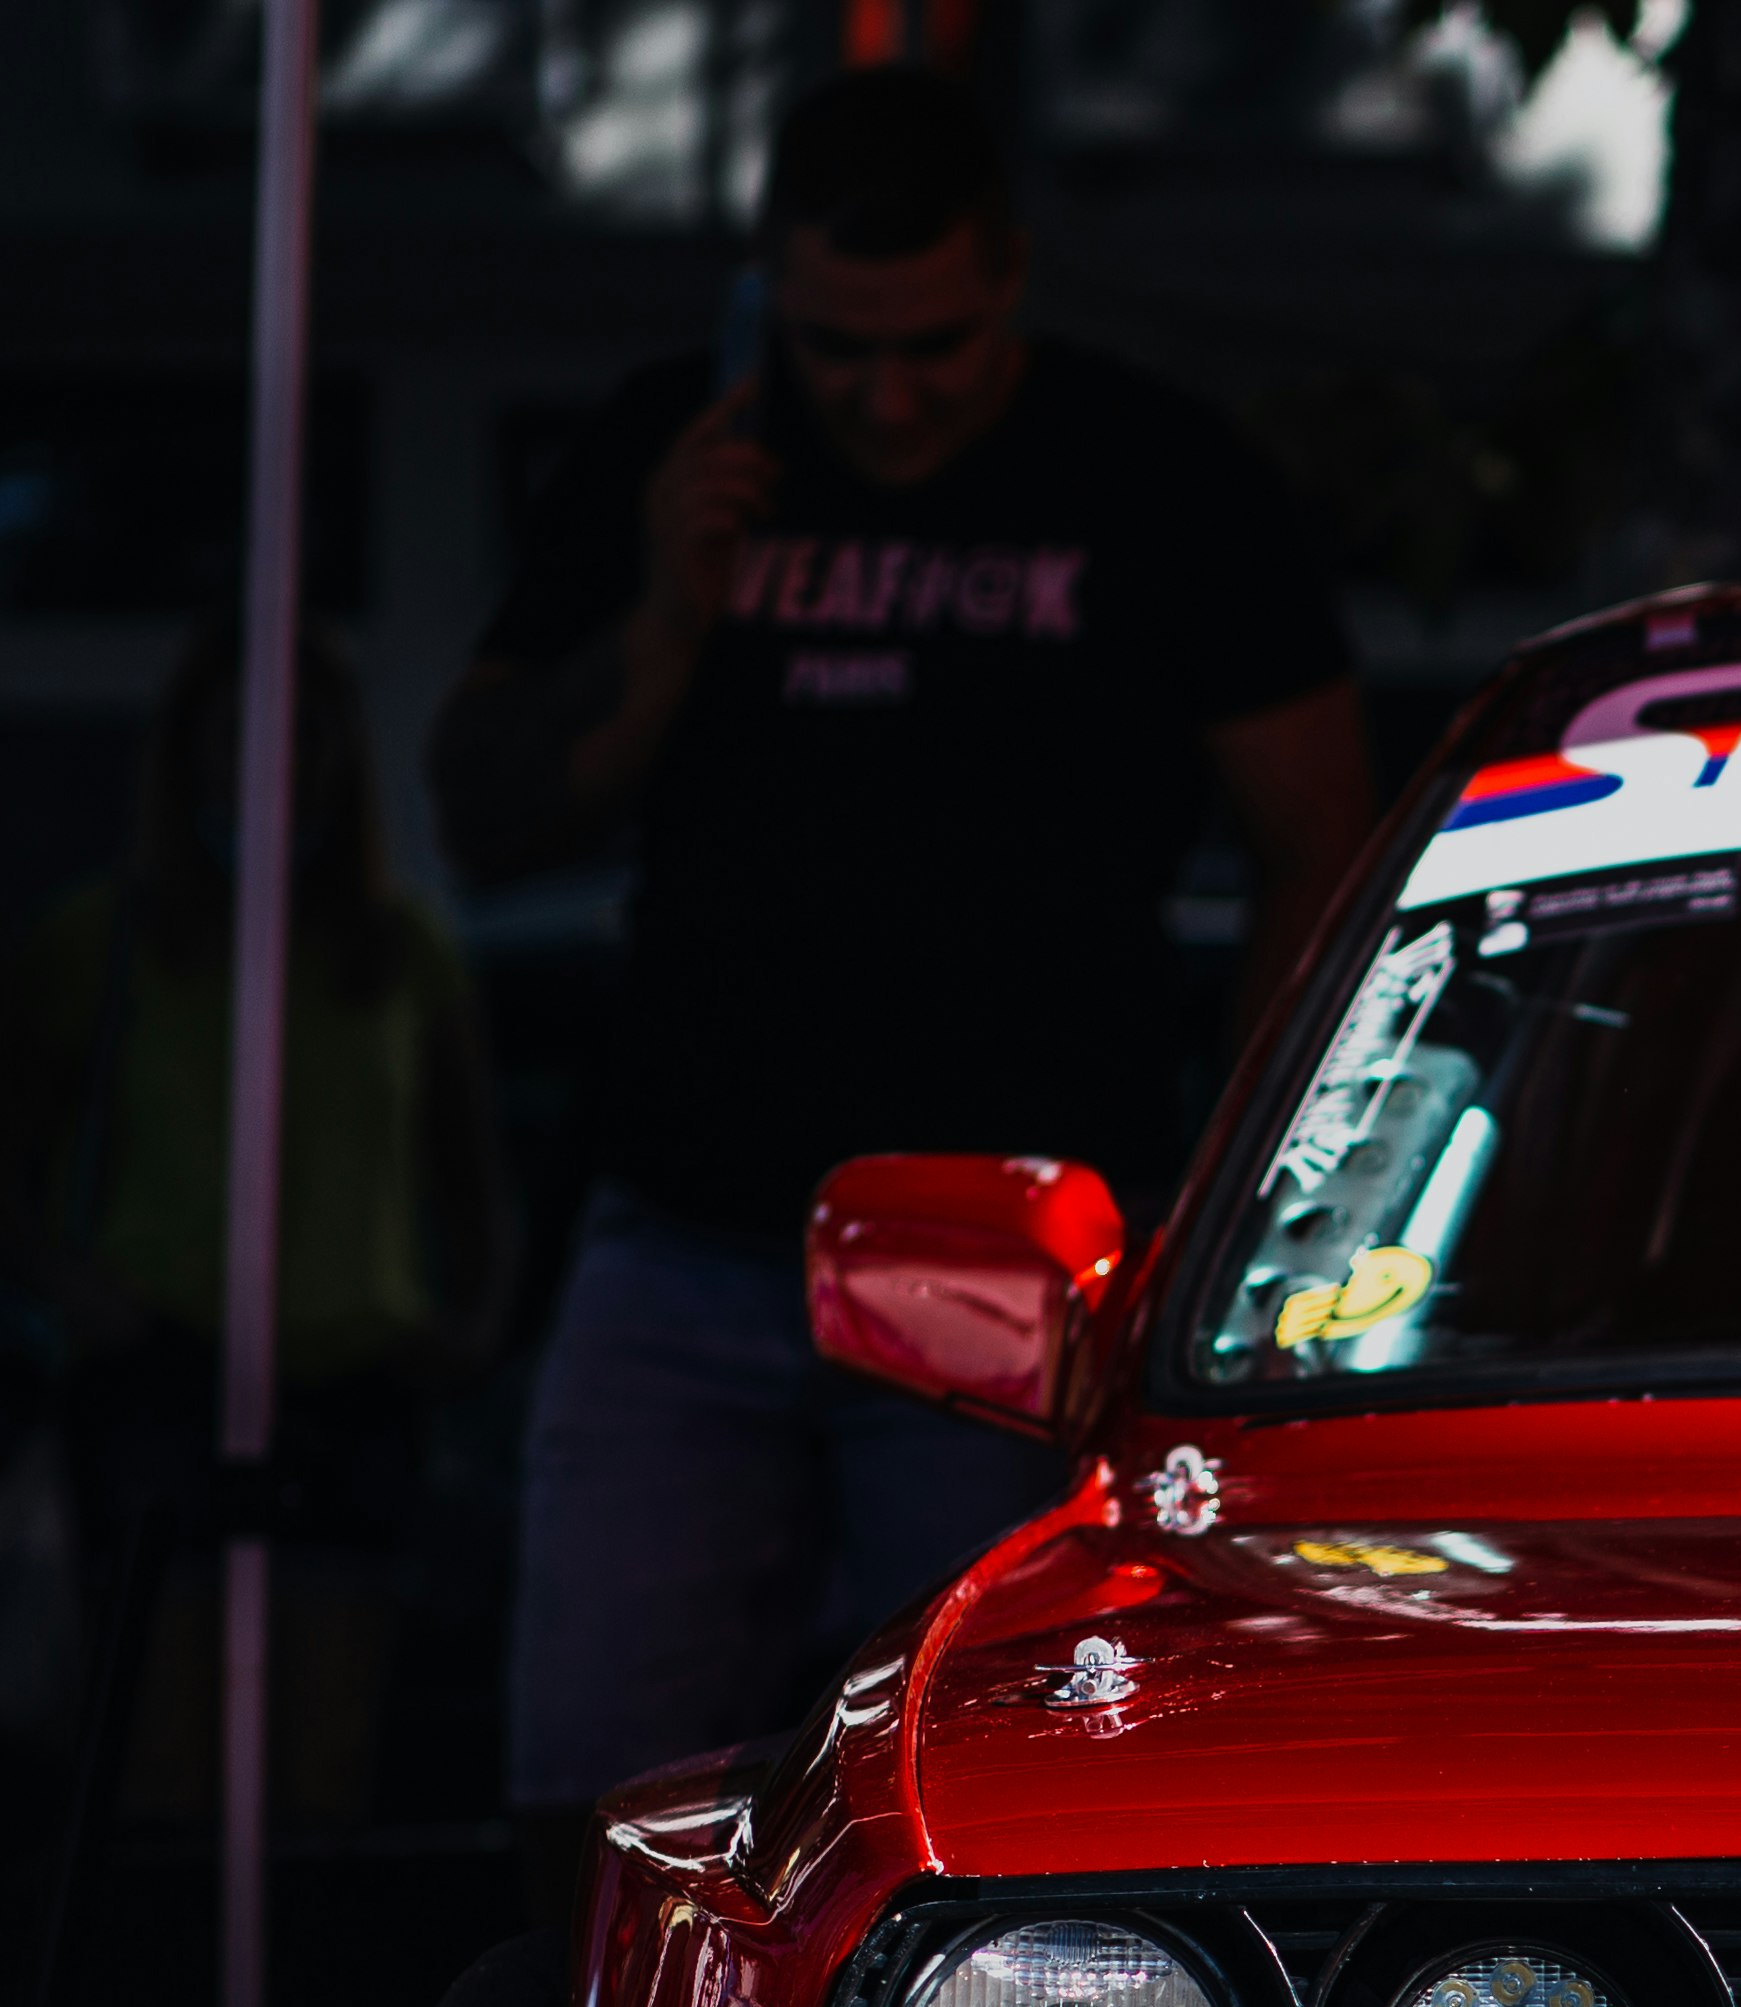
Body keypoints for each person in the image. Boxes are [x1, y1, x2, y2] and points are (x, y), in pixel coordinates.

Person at [429, 62, 1365, 1872]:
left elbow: (1317, 836)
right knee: (600, 1805)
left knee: (976, 1804)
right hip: (695, 1226)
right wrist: (664, 616)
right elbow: (482, 813)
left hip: (1003, 1274)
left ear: (1009, 274)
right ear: (770, 288)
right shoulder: (678, 447)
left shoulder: (1154, 472)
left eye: (928, 341)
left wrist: (1225, 1205)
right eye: (836, 344)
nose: (880, 392)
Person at [3, 614, 511, 1824]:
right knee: (165, 1771)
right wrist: (83, 1296)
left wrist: (469, 1328)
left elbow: (476, 1176)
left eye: (305, 736)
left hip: (347, 1385)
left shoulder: (400, 953)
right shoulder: (106, 942)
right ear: (193, 754)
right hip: (166, 1377)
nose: (277, 765)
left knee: (321, 1780)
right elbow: (10, 1164)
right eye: (245, 734)